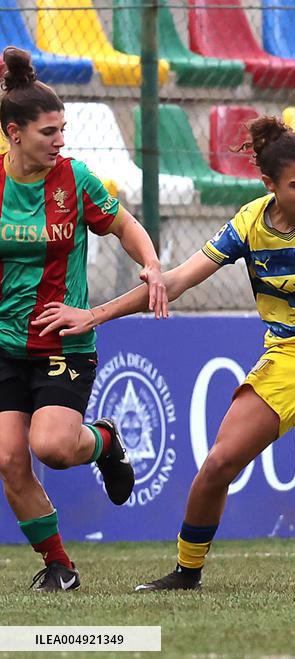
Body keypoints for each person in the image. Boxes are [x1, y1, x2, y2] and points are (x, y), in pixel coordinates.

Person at [35, 116, 295, 590]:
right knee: (218, 465)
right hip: (291, 353)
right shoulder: (247, 225)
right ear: (269, 184)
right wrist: (93, 316)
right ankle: (187, 572)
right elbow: (177, 282)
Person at [0, 46, 162, 591]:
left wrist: (153, 265)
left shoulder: (74, 179)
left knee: (52, 447)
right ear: (14, 134)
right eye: (49, 132)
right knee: (8, 458)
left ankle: (104, 440)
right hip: (4, 343)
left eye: (63, 129)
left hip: (63, 344)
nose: (60, 141)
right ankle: (59, 565)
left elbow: (124, 226)